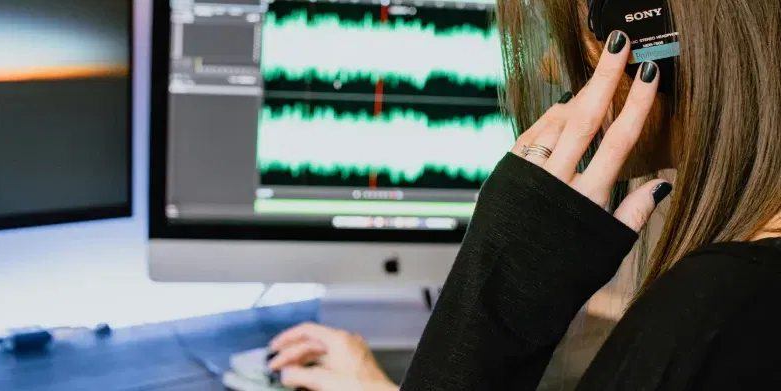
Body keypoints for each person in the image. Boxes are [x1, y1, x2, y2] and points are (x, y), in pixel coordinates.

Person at [267, 0, 781, 389]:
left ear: (652, 38)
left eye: (579, 29)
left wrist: (499, 291)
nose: (549, 71)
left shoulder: (708, 312)